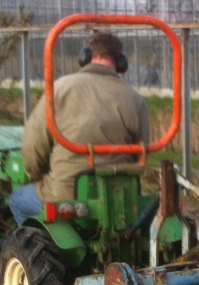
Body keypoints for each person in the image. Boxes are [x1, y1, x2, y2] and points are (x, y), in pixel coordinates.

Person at [10, 30, 152, 225]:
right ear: (121, 62)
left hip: (65, 194)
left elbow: (34, 145)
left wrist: (36, 175)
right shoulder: (136, 100)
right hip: (118, 196)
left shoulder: (59, 89)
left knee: (17, 200)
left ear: (85, 57)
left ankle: (31, 246)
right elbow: (141, 153)